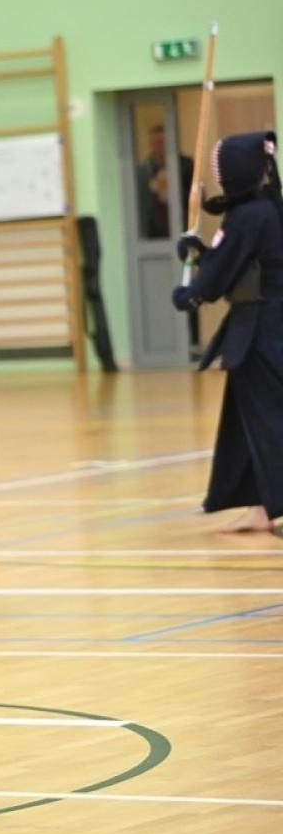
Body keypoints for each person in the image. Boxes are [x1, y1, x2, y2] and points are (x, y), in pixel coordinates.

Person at [173, 131, 283, 535]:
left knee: (271, 419)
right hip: (266, 328)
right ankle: (259, 507)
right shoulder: (266, 209)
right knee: (247, 420)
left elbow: (219, 276)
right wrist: (199, 252)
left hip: (263, 331)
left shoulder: (249, 216)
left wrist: (190, 293)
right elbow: (232, 258)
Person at [138, 123, 196, 240]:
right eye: (154, 144)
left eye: (161, 143)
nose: (158, 147)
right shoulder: (144, 170)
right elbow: (140, 202)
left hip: (182, 226)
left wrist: (173, 188)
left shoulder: (186, 165)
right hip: (154, 232)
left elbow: (197, 196)